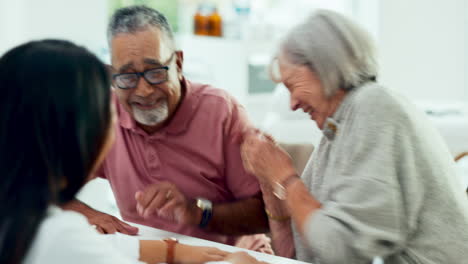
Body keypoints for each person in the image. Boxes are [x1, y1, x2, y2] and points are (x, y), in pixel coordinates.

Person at [240, 9, 468, 264]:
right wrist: (270, 182)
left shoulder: (375, 107)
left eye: (293, 85)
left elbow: (342, 251)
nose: (292, 104)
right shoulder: (336, 129)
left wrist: (285, 176)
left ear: (325, 66)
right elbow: (300, 253)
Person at [0, 39, 231, 264]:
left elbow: (94, 248)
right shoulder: (57, 235)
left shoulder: (20, 216)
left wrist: (170, 250)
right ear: (78, 133)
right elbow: (74, 247)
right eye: (108, 109)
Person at [64, 5, 272, 252]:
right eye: (128, 77)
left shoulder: (221, 111)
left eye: (155, 72)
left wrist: (197, 211)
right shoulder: (105, 113)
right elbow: (38, 184)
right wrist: (90, 215)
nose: (144, 90)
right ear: (112, 76)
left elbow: (266, 214)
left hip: (226, 256)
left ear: (179, 64)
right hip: (152, 253)